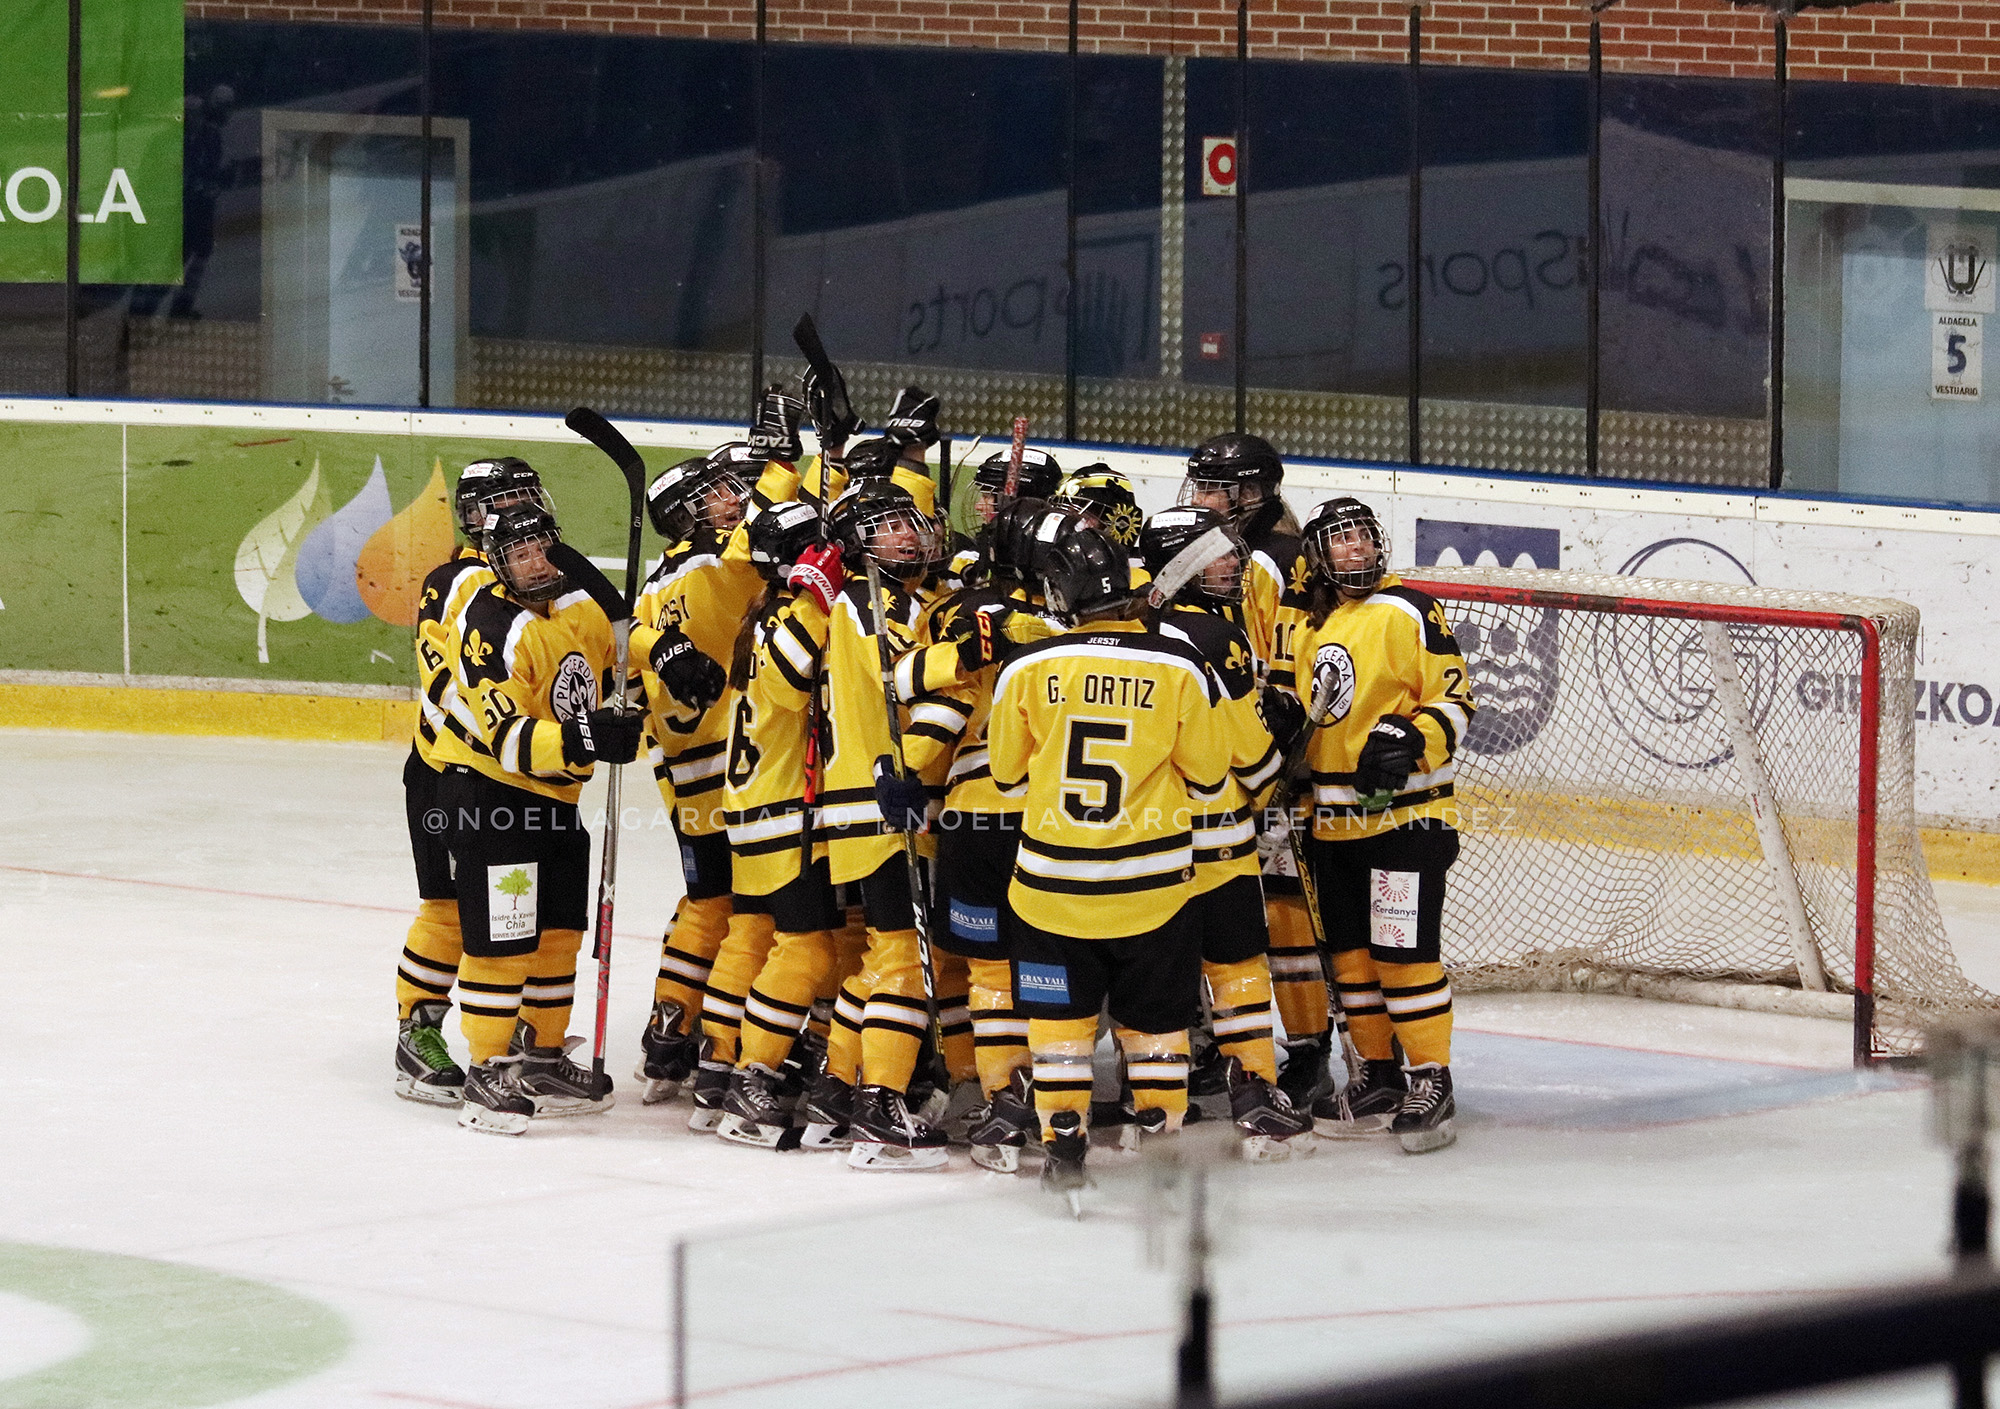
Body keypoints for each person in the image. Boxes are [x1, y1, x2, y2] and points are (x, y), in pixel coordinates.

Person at [988, 519, 1227, 1202]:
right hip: (1153, 892)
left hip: (1049, 890)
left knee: (1060, 1031)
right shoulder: (1181, 667)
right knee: (1156, 1028)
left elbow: (1006, 778)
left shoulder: (1026, 668)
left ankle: (1064, 1152)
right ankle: (1161, 1152)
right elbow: (1210, 776)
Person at [434, 502, 642, 1134]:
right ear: (498, 563)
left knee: (558, 934)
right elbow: (507, 736)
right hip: (496, 800)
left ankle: (541, 1056)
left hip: (558, 802)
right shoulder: (489, 622)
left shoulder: (580, 606)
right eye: (518, 554)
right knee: (503, 941)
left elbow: (620, 671)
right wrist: (589, 739)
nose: (534, 563)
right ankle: (486, 1070)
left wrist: (631, 707)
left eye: (541, 548)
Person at [1287, 496, 1475, 1154]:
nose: (1355, 549)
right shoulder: (1311, 627)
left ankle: (1431, 1077)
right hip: (1331, 828)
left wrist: (1412, 736)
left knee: (1403, 956)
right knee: (1351, 962)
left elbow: (1456, 701)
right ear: (1319, 554)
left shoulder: (1412, 609)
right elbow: (1308, 723)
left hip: (1407, 821)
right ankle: (1379, 1076)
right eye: (1339, 540)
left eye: (1362, 536)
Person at [1139, 505, 1314, 1161]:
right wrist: (1284, 739)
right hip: (1213, 836)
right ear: (1181, 565)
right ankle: (1253, 1088)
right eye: (1214, 553)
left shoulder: (1128, 627)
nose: (1232, 563)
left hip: (1142, 839)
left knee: (1157, 977)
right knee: (1237, 965)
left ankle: (1155, 1102)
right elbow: (1252, 758)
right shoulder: (1220, 637)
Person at [1179, 432, 1334, 1111]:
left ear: (1253, 491)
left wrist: (1279, 770)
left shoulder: (1280, 559)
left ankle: (1308, 1052)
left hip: (1277, 768)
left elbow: (1296, 682)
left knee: (1285, 912)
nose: (1204, 499)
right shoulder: (1226, 552)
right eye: (1202, 485)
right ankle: (1219, 1042)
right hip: (1233, 761)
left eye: (1216, 487)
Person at [393, 457, 551, 1106]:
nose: (517, 509)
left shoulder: (528, 574)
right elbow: (456, 684)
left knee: (505, 911)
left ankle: (497, 1023)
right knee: (449, 908)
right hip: (444, 773)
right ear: (473, 516)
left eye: (526, 496)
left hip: (502, 774)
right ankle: (416, 1030)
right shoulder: (458, 581)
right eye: (502, 500)